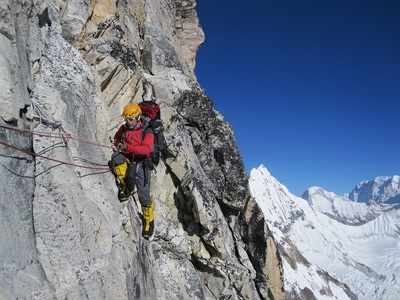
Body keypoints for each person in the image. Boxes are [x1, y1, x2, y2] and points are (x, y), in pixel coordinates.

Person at [113, 103, 155, 239]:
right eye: (126, 119)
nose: (128, 122)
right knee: (116, 158)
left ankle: (149, 219)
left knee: (143, 194)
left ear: (137, 117)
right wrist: (118, 145)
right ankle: (125, 185)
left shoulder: (147, 131)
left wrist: (128, 147)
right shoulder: (125, 128)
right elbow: (116, 137)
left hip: (142, 163)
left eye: (130, 119)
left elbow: (147, 149)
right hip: (129, 157)